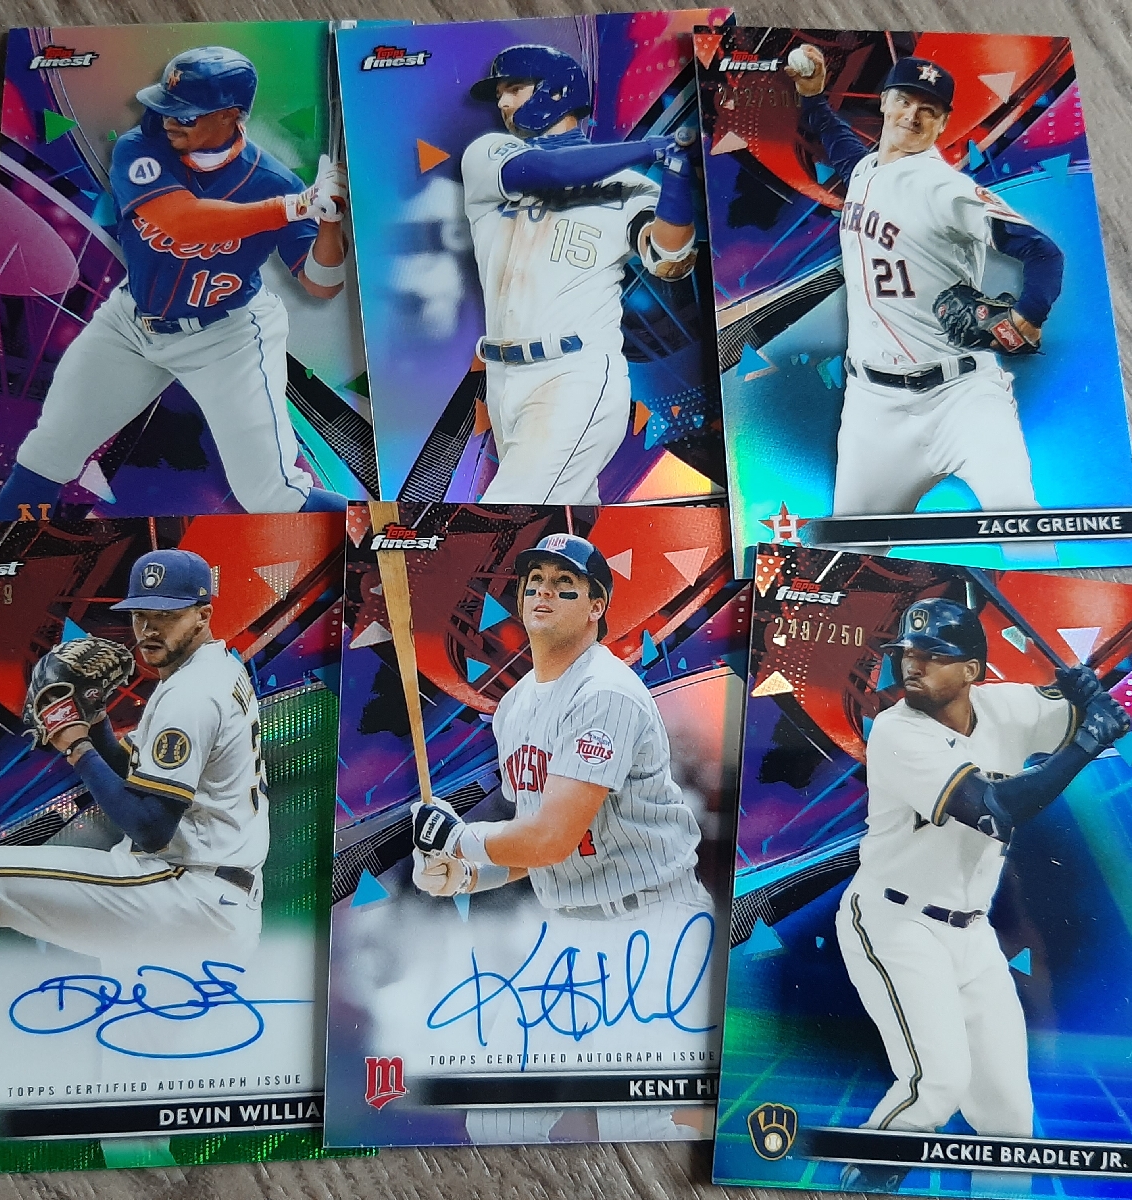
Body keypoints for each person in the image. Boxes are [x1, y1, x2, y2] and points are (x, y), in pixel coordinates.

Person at [0, 548, 269, 1159]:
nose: (148, 628)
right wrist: (95, 723)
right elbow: (147, 788)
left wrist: (75, 744)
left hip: (182, 892)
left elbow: (149, 826)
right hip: (212, 901)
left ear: (203, 613)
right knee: (130, 1123)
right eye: (140, 613)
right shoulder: (215, 670)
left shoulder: (191, 695)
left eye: (166, 614)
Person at [409, 532, 714, 1143]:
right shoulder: (514, 707)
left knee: (637, 1125)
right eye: (534, 583)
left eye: (564, 585)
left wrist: (460, 839)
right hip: (571, 930)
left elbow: (551, 838)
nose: (543, 593)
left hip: (652, 924)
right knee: (497, 1116)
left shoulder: (606, 693)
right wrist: (463, 876)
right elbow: (535, 850)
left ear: (597, 605)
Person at [831, 597, 1129, 1191]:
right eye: (907, 653)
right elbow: (996, 810)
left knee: (1009, 1121)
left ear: (971, 670)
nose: (912, 665)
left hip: (971, 933)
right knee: (935, 1087)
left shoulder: (1005, 706)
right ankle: (864, 1178)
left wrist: (1087, 694)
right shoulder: (897, 732)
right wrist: (1086, 741)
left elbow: (1088, 712)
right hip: (894, 921)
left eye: (932, 655)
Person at [0, 46, 349, 520]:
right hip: (129, 325)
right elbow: (182, 222)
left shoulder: (274, 182)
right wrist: (294, 207)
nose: (169, 121)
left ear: (231, 116)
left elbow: (321, 283)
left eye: (187, 114)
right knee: (47, 453)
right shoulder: (141, 147)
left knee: (271, 497)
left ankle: (382, 538)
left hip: (226, 339)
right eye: (166, 107)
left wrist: (329, 220)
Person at [788, 48, 1066, 521]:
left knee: (1021, 524)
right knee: (847, 549)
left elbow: (1044, 252)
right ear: (884, 102)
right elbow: (840, 144)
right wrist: (813, 98)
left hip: (963, 397)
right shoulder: (866, 171)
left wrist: (1029, 314)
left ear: (942, 123)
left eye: (928, 110)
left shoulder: (944, 188)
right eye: (904, 101)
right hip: (872, 407)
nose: (912, 116)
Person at [461, 45, 698, 504]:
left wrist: (676, 181)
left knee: (508, 516)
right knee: (562, 522)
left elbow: (670, 260)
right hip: (503, 379)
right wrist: (652, 147)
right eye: (500, 93)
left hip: (574, 375)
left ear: (555, 91)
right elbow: (549, 169)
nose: (503, 103)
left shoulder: (630, 188)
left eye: (515, 88)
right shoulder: (488, 155)